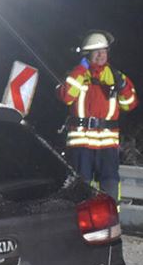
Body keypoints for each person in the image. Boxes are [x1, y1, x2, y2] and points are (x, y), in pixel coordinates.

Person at [56, 30, 138, 202]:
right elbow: (66, 97)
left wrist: (122, 86)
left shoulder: (116, 76)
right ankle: (80, 224)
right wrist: (80, 69)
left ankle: (111, 223)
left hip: (107, 144)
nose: (101, 55)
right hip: (81, 143)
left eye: (104, 51)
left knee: (110, 185)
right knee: (81, 187)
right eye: (97, 51)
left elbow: (130, 104)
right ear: (87, 53)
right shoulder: (77, 74)